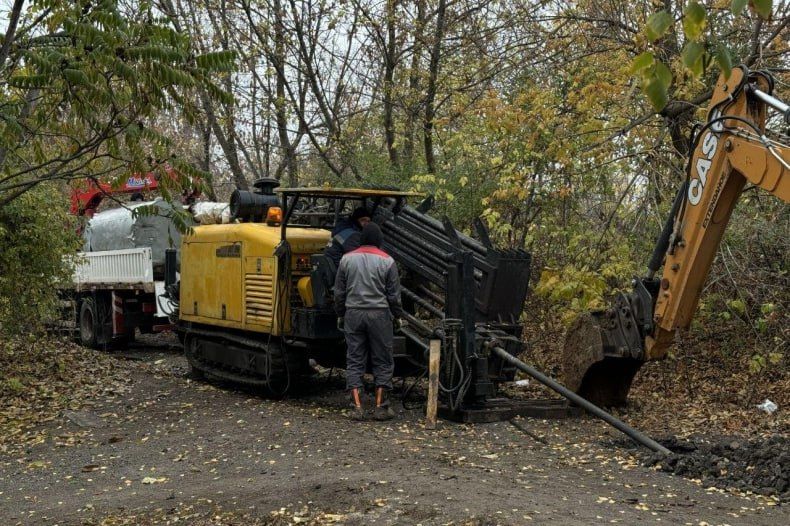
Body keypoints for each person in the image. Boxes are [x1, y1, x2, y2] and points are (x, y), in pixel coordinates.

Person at [334, 222, 403, 421]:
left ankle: (356, 407)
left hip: (354, 313)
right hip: (379, 315)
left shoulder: (346, 259)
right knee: (382, 359)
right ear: (379, 240)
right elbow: (394, 296)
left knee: (355, 359)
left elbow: (339, 292)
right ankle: (381, 407)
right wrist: (397, 316)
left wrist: (341, 313)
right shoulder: (388, 261)